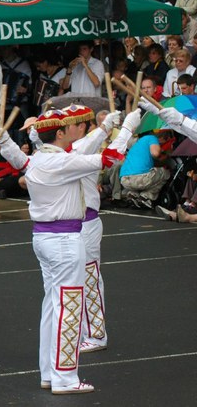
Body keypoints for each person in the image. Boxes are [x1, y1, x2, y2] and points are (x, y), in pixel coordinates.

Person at [0, 109, 126, 394]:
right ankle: (65, 377)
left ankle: (49, 372)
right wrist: (125, 129)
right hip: (65, 240)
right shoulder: (61, 161)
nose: (71, 130)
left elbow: (20, 160)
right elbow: (110, 158)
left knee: (52, 305)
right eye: (67, 127)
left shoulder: (37, 160)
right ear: (59, 133)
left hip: (43, 237)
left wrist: (4, 142)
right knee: (69, 306)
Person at [60, 105, 139, 354]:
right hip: (70, 226)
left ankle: (96, 334)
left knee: (89, 278)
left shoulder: (81, 150)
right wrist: (110, 128)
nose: (62, 130)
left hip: (86, 224)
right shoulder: (72, 149)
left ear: (81, 127)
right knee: (73, 280)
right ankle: (84, 330)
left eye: (68, 125)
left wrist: (124, 129)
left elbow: (111, 152)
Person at [119, 130, 169, 209]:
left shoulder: (139, 143)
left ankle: (133, 195)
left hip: (124, 179)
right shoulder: (152, 138)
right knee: (165, 173)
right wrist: (163, 153)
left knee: (144, 174)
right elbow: (155, 153)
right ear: (162, 138)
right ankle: (146, 197)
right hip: (139, 179)